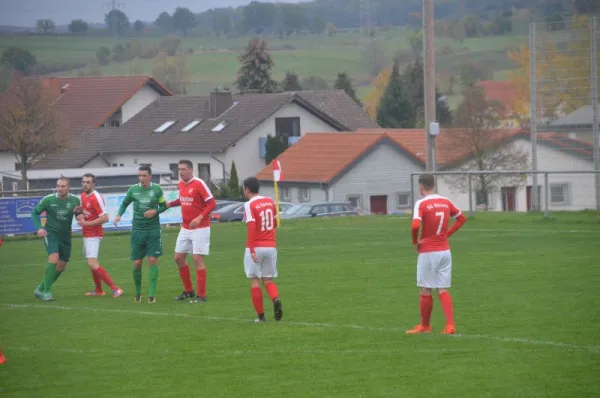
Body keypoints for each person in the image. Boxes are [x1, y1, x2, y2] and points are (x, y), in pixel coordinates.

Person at [406, 174, 467, 335]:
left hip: (428, 252)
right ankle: (450, 325)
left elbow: (414, 226)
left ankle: (425, 326)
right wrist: (446, 234)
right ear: (433, 185)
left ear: (421, 186)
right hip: (445, 251)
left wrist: (415, 242)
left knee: (425, 289)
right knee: (442, 288)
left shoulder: (421, 203)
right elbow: (461, 218)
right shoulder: (445, 201)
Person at [114, 166, 167, 303]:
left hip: (153, 230)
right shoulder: (133, 190)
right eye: (140, 176)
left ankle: (151, 295)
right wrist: (119, 214)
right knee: (137, 263)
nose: (141, 178)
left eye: (144, 176)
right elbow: (125, 203)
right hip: (138, 231)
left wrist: (155, 211)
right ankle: (138, 294)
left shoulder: (156, 189)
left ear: (150, 176)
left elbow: (163, 206)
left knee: (152, 260)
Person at [166, 160, 216, 303]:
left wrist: (200, 217)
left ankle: (202, 295)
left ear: (191, 170)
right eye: (179, 169)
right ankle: (189, 291)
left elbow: (212, 203)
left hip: (201, 227)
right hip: (186, 227)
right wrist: (171, 204)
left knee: (197, 259)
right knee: (178, 258)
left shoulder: (199, 183)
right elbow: (184, 200)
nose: (180, 172)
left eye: (183, 169)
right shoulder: (181, 184)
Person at [32, 177, 81, 301]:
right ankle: (47, 292)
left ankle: (41, 288)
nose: (60, 189)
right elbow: (34, 213)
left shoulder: (75, 200)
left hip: (66, 236)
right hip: (51, 234)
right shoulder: (48, 200)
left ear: (68, 187)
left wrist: (81, 217)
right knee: (53, 259)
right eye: (58, 186)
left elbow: (79, 215)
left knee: (61, 266)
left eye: (63, 186)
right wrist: (39, 228)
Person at [241, 177, 283, 322]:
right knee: (268, 279)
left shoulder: (249, 205)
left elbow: (252, 227)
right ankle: (275, 298)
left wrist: (251, 248)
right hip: (271, 246)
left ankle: (261, 316)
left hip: (256, 246)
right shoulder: (270, 201)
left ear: (247, 189)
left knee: (254, 280)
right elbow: (275, 222)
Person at [77, 173, 123, 298]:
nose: (85, 184)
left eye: (88, 182)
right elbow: (84, 212)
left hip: (94, 234)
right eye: (83, 182)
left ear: (93, 184)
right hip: (87, 233)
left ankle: (116, 288)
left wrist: (87, 223)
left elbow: (105, 217)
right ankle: (98, 290)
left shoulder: (96, 197)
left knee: (92, 263)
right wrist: (79, 215)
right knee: (91, 263)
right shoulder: (83, 195)